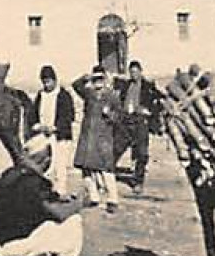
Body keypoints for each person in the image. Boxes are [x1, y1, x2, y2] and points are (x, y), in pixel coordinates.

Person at [0, 145, 85, 256]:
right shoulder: (36, 182)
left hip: (1, 240)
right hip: (16, 247)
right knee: (73, 220)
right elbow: (59, 214)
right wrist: (80, 203)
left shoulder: (10, 173)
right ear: (47, 161)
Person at [71, 66, 124, 213]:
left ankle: (113, 200)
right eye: (95, 79)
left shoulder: (112, 96)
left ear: (105, 79)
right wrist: (86, 76)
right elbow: (75, 85)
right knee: (86, 168)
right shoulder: (89, 93)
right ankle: (94, 197)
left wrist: (110, 115)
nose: (98, 82)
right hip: (87, 137)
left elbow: (119, 118)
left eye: (100, 79)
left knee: (106, 170)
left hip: (103, 138)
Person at [26, 65, 77, 198]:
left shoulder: (63, 95)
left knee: (60, 165)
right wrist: (38, 126)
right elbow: (33, 115)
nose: (46, 84)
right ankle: (45, 190)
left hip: (60, 136)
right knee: (44, 164)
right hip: (44, 135)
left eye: (48, 81)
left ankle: (60, 191)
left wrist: (55, 127)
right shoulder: (40, 95)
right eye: (44, 82)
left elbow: (68, 116)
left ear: (54, 80)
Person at [112, 60, 163, 194]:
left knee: (141, 153)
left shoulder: (148, 86)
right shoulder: (126, 85)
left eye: (136, 71)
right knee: (117, 148)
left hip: (140, 122)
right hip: (126, 121)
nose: (133, 74)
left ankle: (138, 182)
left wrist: (150, 112)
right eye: (131, 72)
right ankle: (108, 177)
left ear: (140, 71)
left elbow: (159, 101)